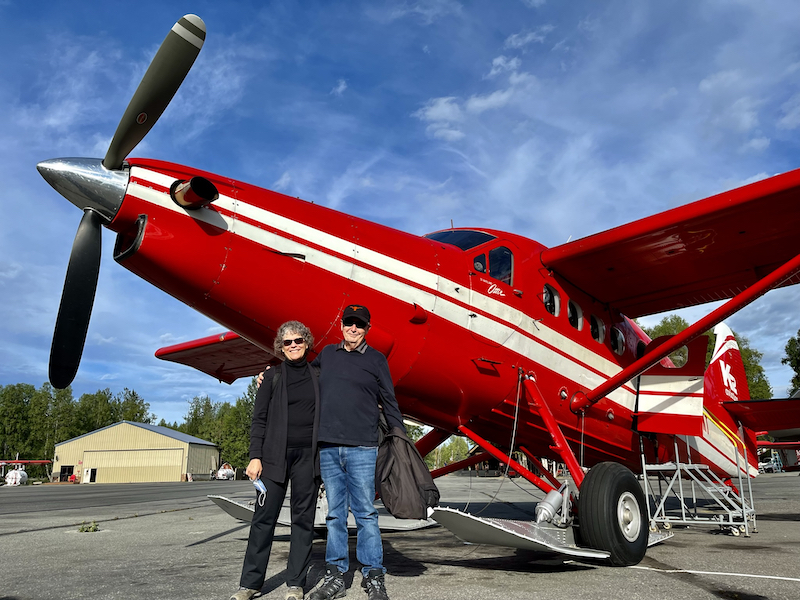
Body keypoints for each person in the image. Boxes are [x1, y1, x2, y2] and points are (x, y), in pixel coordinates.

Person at [307, 304, 405, 600]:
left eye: (359, 325)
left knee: (365, 513)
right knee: (335, 515)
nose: (353, 328)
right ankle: (335, 575)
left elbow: (389, 400)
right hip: (329, 447)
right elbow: (301, 382)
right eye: (349, 323)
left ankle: (373, 575)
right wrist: (270, 378)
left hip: (363, 447)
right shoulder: (327, 356)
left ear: (367, 329)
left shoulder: (376, 360)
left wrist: (399, 435)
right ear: (341, 325)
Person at [230, 321, 321, 600]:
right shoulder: (271, 378)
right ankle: (250, 584)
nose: (293, 346)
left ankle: (295, 583)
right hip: (272, 458)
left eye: (298, 341)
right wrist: (255, 456)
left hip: (308, 457)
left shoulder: (320, 375)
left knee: (303, 521)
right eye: (287, 342)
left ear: (307, 343)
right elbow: (259, 420)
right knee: (263, 519)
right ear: (280, 348)